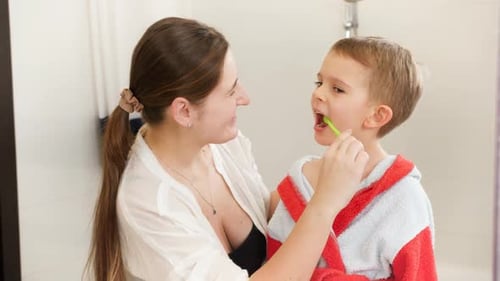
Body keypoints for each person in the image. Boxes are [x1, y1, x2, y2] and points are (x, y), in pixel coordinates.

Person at [86, 17, 369, 281]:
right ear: (184, 111)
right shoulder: (149, 205)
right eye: (231, 90)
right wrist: (324, 205)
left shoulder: (222, 144)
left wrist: (313, 178)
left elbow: (265, 214)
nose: (244, 98)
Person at [266, 37, 437, 280]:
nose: (318, 93)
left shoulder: (404, 197)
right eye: (319, 81)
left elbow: (419, 274)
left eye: (337, 89)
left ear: (376, 116)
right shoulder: (300, 180)